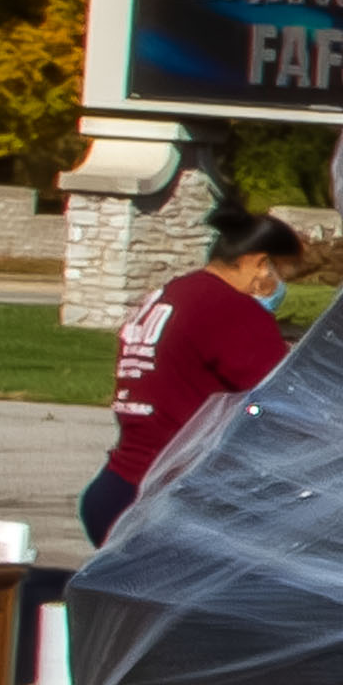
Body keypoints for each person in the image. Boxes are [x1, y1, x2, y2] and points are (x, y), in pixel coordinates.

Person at [82, 211, 304, 544]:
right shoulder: (229, 307)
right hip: (172, 497)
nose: (281, 287)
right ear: (260, 264)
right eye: (282, 274)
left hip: (120, 485)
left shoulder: (171, 295)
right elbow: (288, 396)